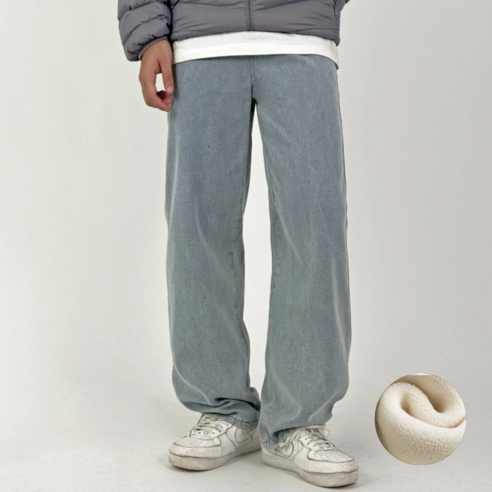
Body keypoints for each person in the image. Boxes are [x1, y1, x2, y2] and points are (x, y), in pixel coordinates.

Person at [117, 0, 358, 487]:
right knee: (198, 231)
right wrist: (149, 35)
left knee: (315, 228)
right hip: (199, 43)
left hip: (301, 37)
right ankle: (223, 409)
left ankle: (298, 421)